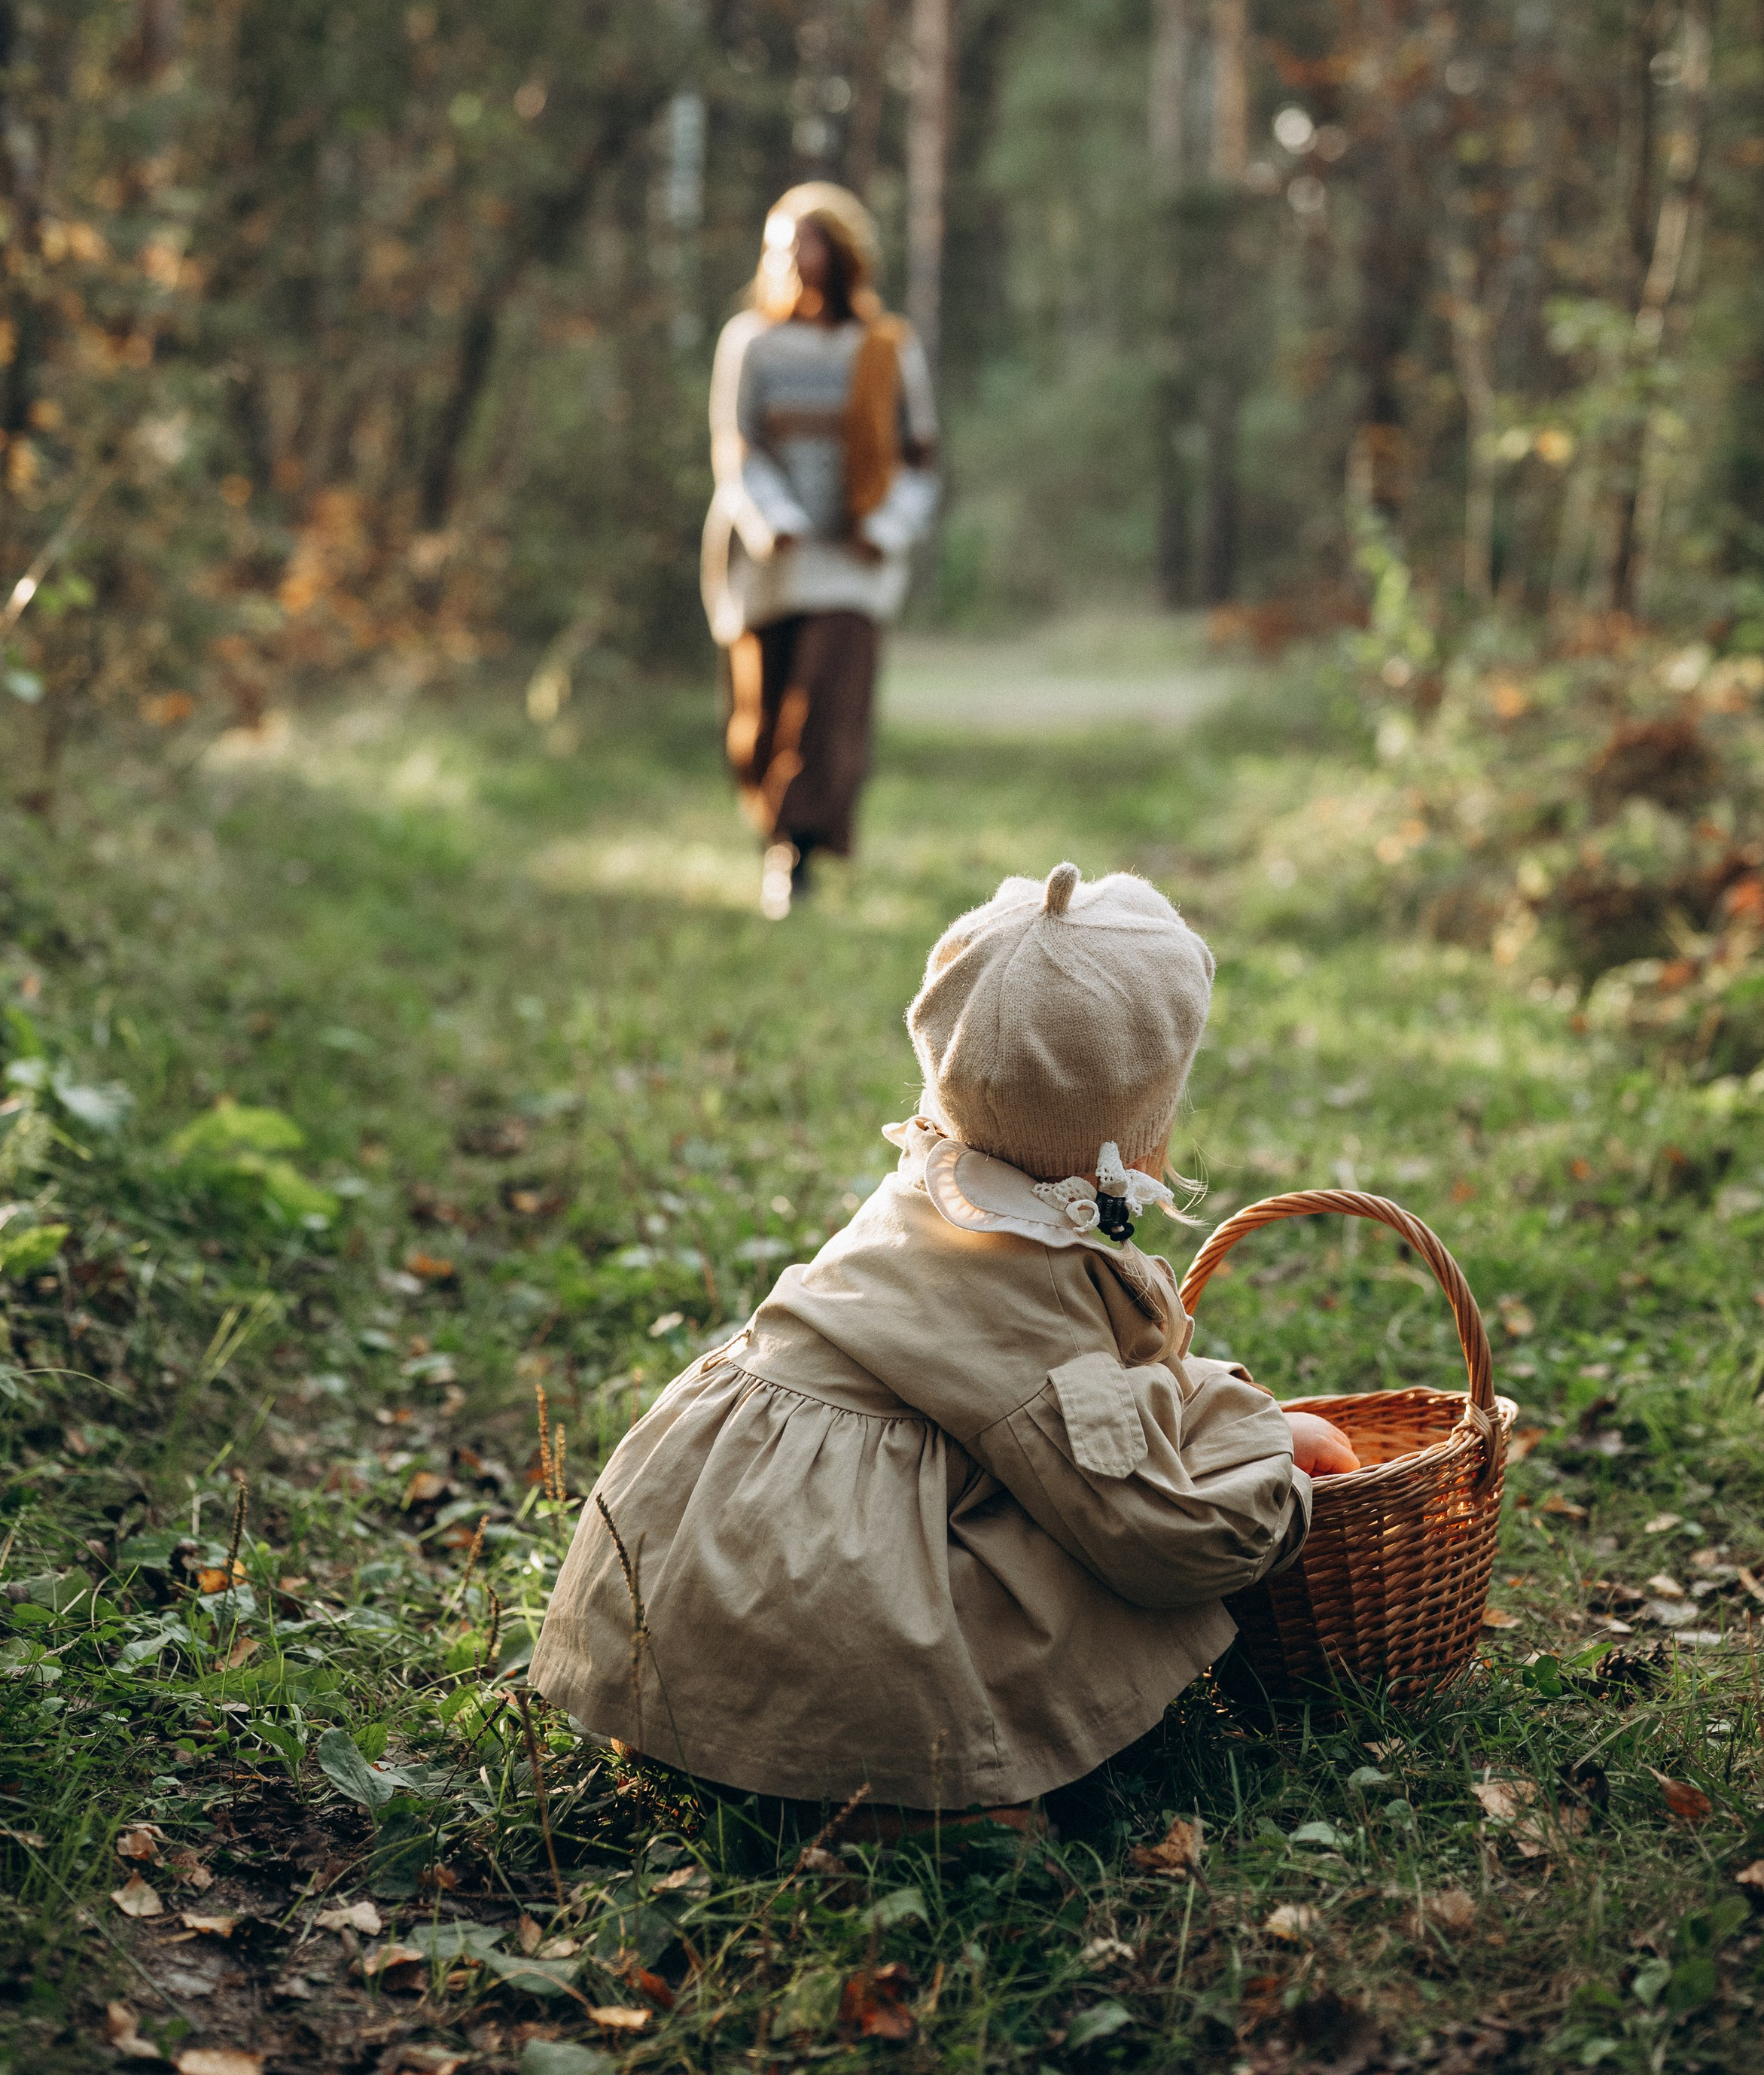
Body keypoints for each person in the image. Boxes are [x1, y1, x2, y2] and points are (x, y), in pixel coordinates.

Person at [529, 861, 1359, 1830]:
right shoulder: (1033, 1282)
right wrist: (1269, 1463)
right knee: (1052, 1564)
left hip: (673, 1594)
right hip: (825, 1619)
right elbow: (1154, 1536)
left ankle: (709, 1738)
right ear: (1140, 1120)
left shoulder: (924, 1194)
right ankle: (901, 1797)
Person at [701, 181, 938, 919]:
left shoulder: (886, 348)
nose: (801, 260)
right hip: (767, 559)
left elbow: (919, 457)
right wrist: (771, 519)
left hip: (851, 563)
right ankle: (773, 825)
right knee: (763, 717)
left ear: (844, 256)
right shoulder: (752, 343)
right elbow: (735, 446)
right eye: (787, 246)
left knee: (827, 708)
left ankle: (795, 853)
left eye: (815, 245)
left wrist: (887, 527)